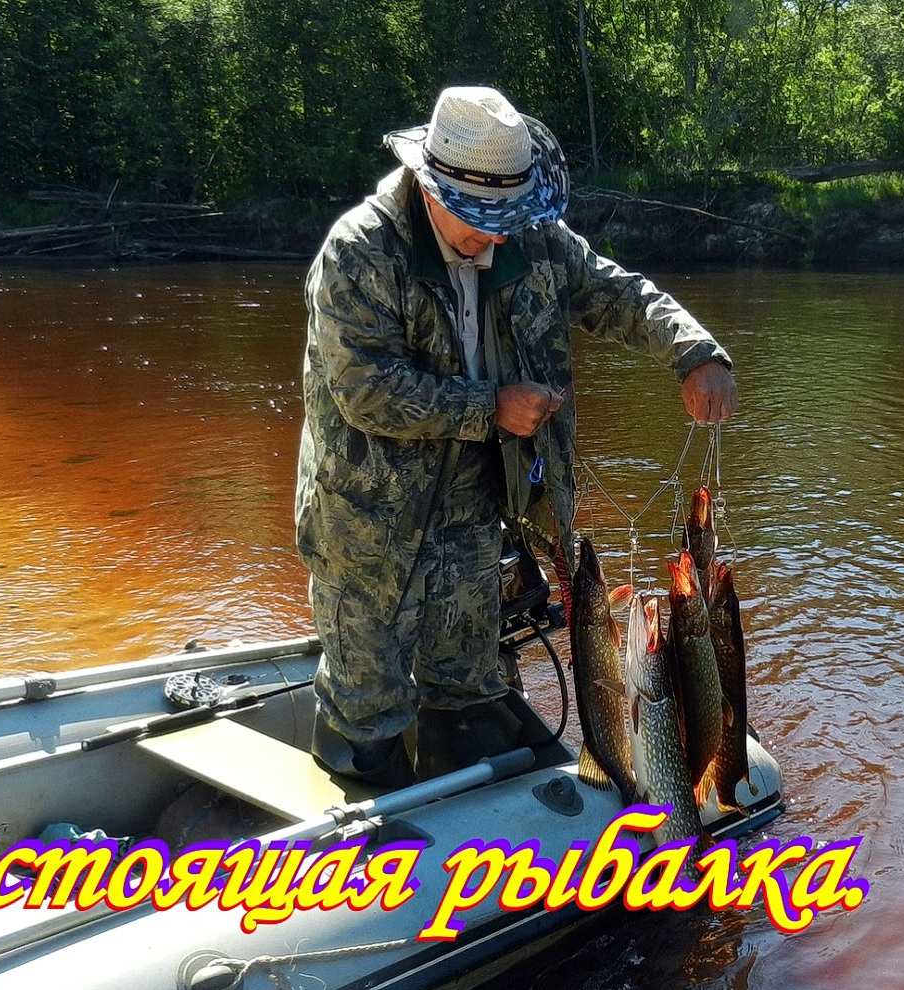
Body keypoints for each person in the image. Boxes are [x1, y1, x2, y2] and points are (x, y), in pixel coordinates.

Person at [296, 85, 737, 787]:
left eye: (506, 216)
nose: (497, 233)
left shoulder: (531, 238)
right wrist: (490, 407)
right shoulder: (359, 252)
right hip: (368, 521)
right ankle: (364, 818)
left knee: (467, 672)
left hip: (479, 505)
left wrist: (695, 351)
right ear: (427, 185)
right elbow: (365, 392)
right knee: (367, 694)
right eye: (479, 219)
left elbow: (616, 293)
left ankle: (467, 786)